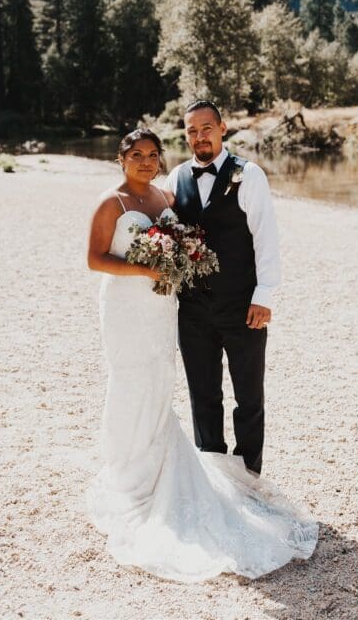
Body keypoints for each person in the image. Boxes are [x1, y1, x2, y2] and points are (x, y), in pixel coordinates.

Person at [86, 127, 318, 582]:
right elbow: (95, 257)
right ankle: (130, 475)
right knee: (134, 380)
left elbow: (252, 237)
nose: (147, 161)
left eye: (153, 153)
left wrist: (259, 290)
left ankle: (231, 472)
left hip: (161, 307)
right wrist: (146, 265)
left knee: (164, 381)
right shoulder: (112, 201)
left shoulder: (165, 195)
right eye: (137, 155)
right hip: (126, 306)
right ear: (121, 159)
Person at [166, 99, 277, 476]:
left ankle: (249, 478)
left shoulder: (250, 175)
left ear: (222, 128)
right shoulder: (176, 177)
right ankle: (213, 477)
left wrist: (263, 296)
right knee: (203, 395)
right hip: (193, 309)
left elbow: (266, 239)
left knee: (248, 397)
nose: (199, 137)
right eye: (192, 131)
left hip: (242, 305)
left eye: (206, 128)